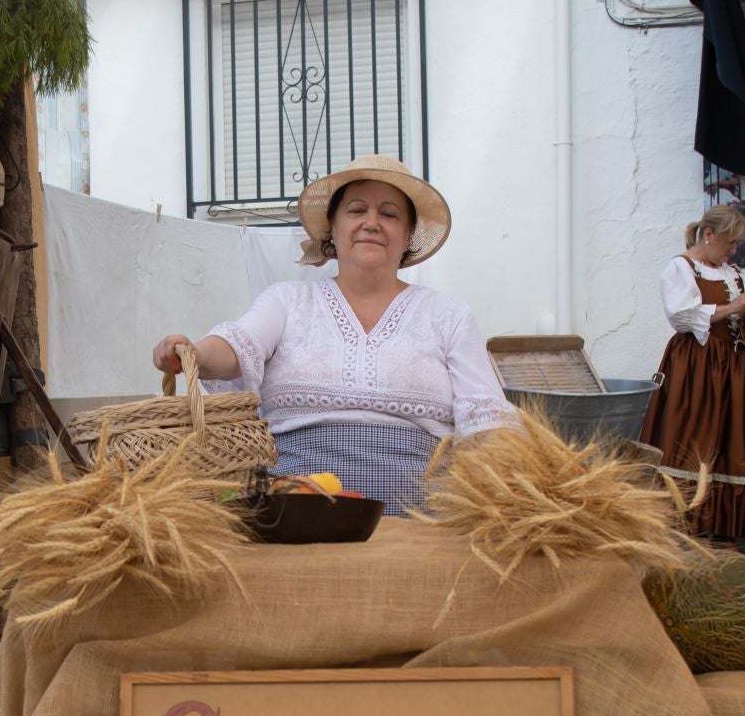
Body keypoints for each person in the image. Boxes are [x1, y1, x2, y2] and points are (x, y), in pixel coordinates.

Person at [151, 155, 514, 513]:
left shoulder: (448, 315)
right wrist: (196, 353)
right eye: (357, 210)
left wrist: (506, 496)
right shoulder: (287, 300)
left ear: (408, 236)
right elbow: (238, 345)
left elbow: (489, 424)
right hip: (294, 520)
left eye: (389, 214)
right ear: (333, 229)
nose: (371, 223)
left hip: (420, 526)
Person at [641, 204, 745, 541]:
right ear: (708, 234)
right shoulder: (681, 267)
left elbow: (729, 315)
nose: (733, 250)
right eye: (730, 242)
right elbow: (681, 316)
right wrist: (733, 306)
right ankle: (685, 525)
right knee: (693, 438)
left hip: (734, 366)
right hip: (698, 366)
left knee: (735, 440)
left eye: (737, 244)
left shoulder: (730, 271)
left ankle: (726, 530)